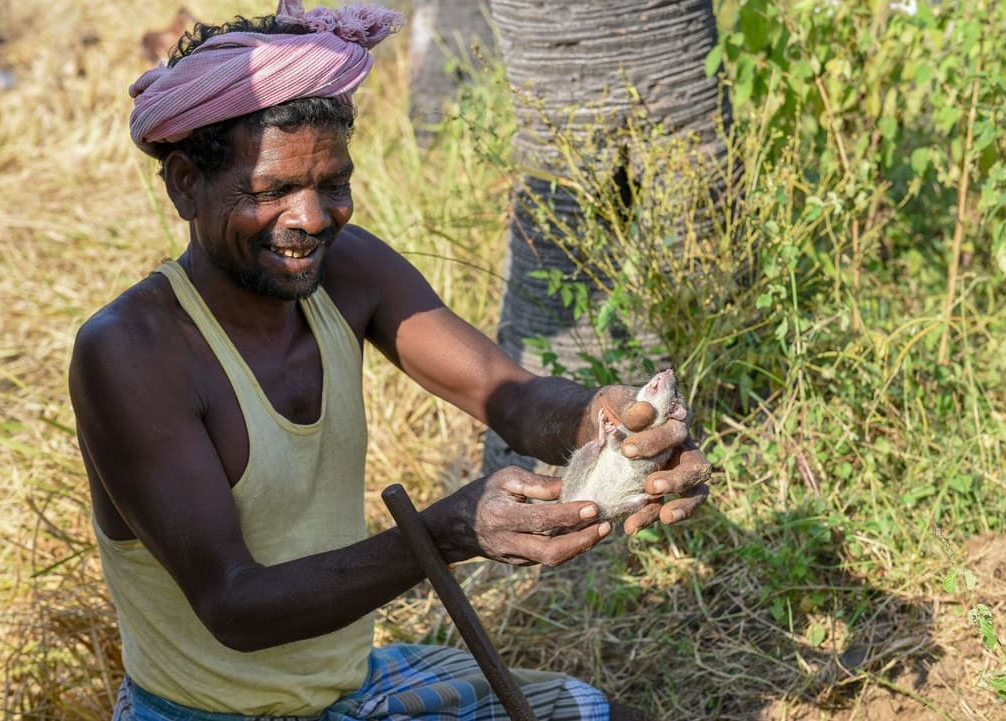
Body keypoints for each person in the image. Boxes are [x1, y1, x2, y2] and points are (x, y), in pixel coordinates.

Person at [68, 2, 712, 720]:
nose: (312, 218)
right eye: (273, 189)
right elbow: (234, 604)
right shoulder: (131, 352)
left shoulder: (344, 272)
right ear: (185, 182)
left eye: (332, 183)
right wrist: (444, 532)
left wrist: (615, 421)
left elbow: (512, 396)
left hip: (354, 687)